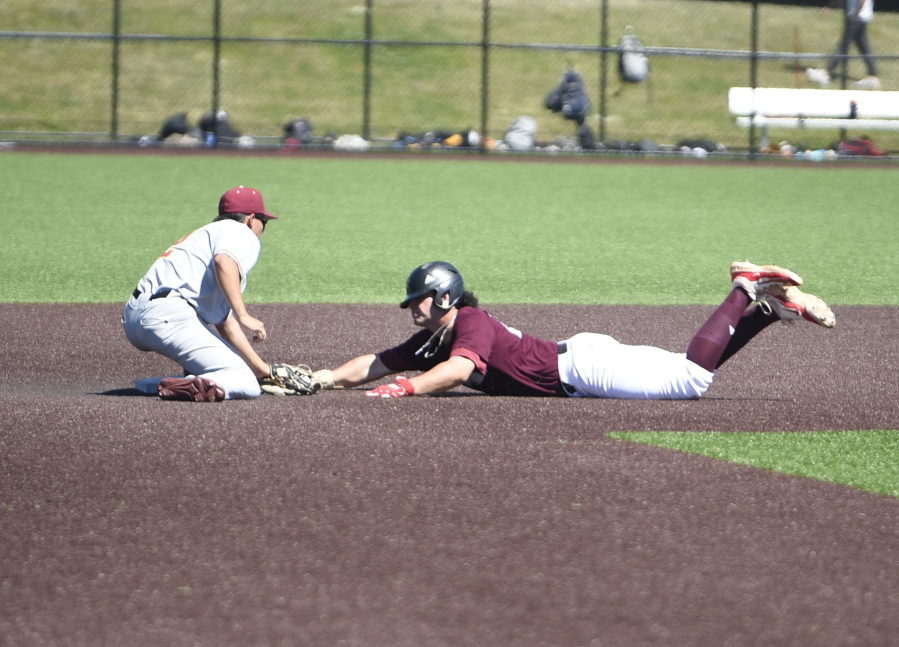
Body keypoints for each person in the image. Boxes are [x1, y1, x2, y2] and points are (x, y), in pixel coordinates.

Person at [311, 261, 835, 399]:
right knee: (686, 372)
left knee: (691, 379)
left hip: (582, 367)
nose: (412, 308)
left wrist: (407, 388)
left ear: (445, 296)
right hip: (580, 362)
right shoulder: (432, 338)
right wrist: (321, 379)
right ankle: (769, 312)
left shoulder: (468, 322)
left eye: (419, 299)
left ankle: (744, 287)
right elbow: (376, 364)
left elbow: (459, 371)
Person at [122, 186, 278, 402]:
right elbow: (223, 261)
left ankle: (187, 381)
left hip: (134, 319)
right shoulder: (242, 232)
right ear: (251, 219)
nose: (263, 228)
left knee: (242, 372)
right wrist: (244, 314)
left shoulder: (206, 235)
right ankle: (201, 383)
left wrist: (263, 369)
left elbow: (225, 323)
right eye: (264, 221)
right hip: (168, 316)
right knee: (247, 383)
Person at [806, 0, 880, 90]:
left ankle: (826, 73)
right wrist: (830, 6)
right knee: (863, 46)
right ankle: (873, 78)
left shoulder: (856, 14)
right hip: (860, 17)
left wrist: (856, 12)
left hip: (857, 17)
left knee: (844, 45)